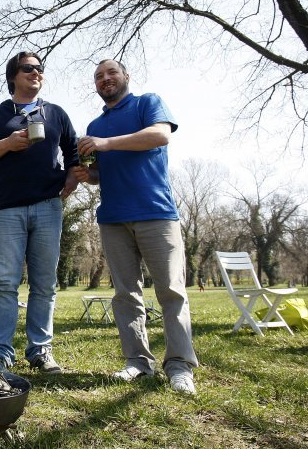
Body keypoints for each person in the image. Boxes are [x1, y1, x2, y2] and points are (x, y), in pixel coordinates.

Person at [73, 59, 199, 395]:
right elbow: (101, 171)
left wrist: (106, 143)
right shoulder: (95, 123)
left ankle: (179, 366)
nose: (105, 79)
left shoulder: (147, 103)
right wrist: (91, 176)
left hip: (156, 212)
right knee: (126, 294)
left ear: (126, 77)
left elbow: (160, 135)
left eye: (111, 72)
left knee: (171, 291)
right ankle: (138, 362)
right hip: (113, 217)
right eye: (98, 76)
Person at [0, 50, 79, 374]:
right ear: (13, 76)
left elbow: (72, 151)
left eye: (39, 68)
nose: (36, 72)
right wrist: (8, 143)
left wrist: (71, 179)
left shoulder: (56, 113)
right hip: (6, 210)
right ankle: (0, 353)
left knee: (44, 284)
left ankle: (40, 351)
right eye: (29, 68)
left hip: (48, 207)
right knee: (5, 283)